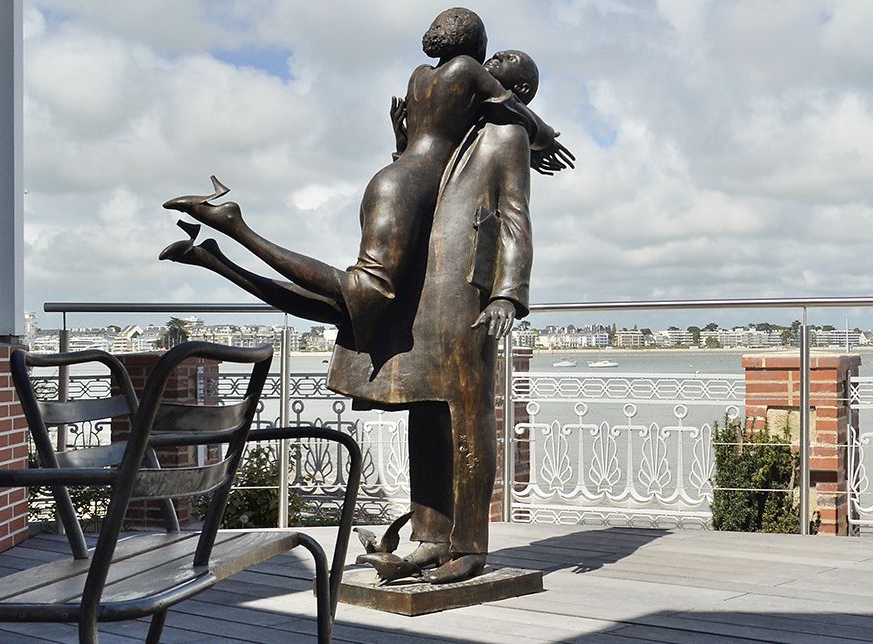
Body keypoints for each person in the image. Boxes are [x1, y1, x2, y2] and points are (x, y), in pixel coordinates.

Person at [159, 8, 570, 584]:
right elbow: (430, 182)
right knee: (418, 397)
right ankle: (430, 538)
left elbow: (514, 221)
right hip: (430, 285)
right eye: (492, 57)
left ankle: (467, 545)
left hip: (467, 293)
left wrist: (508, 294)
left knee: (450, 400)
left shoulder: (505, 133)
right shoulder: (469, 114)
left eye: (505, 66)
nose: (493, 65)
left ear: (516, 90)